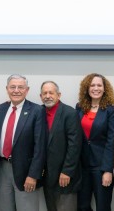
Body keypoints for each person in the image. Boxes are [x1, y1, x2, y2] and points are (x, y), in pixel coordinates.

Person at [0, 74, 46, 211]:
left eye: (20, 87)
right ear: (7, 89)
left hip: (26, 171)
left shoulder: (37, 111)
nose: (16, 90)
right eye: (13, 87)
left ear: (27, 90)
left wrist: (33, 175)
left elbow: (40, 146)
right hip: (2, 169)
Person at [76, 73, 114, 211]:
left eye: (99, 85)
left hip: (101, 166)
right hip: (82, 166)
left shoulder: (111, 109)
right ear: (87, 88)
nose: (96, 88)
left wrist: (107, 170)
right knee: (82, 206)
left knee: (102, 206)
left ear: (105, 88)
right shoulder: (79, 107)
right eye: (92, 85)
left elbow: (111, 140)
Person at [40, 81, 82, 211]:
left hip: (65, 176)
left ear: (59, 95)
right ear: (40, 96)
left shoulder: (69, 113)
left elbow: (75, 145)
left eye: (51, 93)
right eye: (44, 93)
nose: (48, 96)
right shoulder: (38, 112)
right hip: (46, 176)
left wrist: (67, 171)